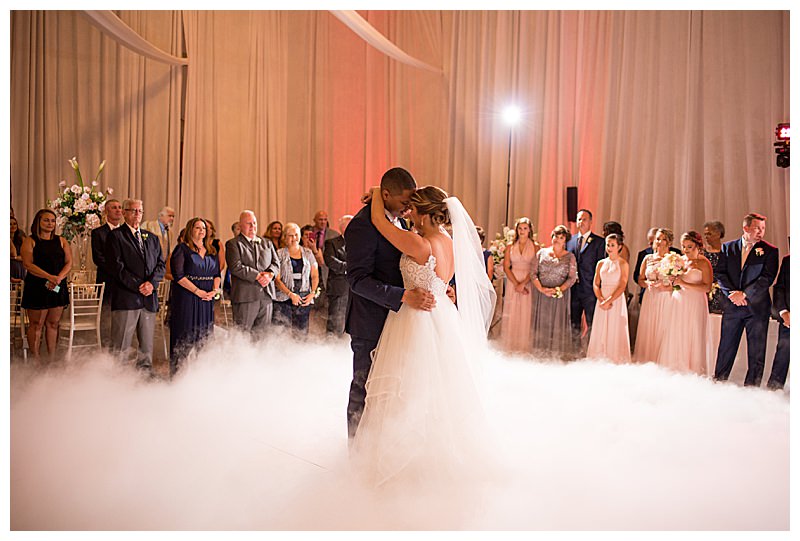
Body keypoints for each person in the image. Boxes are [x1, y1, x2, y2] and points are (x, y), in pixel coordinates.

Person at [351, 184, 496, 487]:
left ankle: (403, 466)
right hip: (442, 315)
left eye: (412, 209)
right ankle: (431, 460)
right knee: (436, 390)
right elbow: (441, 281)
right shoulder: (448, 241)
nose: (408, 214)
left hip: (415, 318)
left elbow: (378, 222)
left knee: (407, 391)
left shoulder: (420, 244)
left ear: (425, 213)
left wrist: (379, 191)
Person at [344, 167, 434, 441]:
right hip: (369, 322)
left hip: (399, 323)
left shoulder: (399, 221)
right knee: (364, 390)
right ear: (386, 195)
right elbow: (357, 280)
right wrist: (402, 296)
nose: (409, 208)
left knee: (391, 393)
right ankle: (356, 454)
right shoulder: (361, 225)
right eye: (405, 202)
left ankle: (380, 452)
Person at [714, 213, 779, 387]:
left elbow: (767, 278)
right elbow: (720, 273)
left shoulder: (770, 251)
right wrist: (732, 294)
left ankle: (752, 389)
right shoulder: (728, 248)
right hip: (732, 307)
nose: (761, 232)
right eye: (757, 228)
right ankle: (719, 383)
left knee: (757, 351)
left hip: (757, 309)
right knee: (726, 348)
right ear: (746, 228)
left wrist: (744, 294)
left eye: (763, 229)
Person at [106, 199, 166, 377]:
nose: (137, 214)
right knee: (121, 342)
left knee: (147, 343)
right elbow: (116, 268)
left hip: (148, 297)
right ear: (124, 213)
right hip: (127, 297)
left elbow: (161, 266)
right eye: (132, 211)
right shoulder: (116, 236)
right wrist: (138, 285)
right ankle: (118, 376)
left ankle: (145, 373)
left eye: (139, 211)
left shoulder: (152, 238)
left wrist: (152, 284)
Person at [168, 218, 220, 377]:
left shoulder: (211, 250)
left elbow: (216, 274)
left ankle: (201, 375)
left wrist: (215, 290)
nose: (201, 230)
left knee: (204, 337)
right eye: (197, 228)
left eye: (203, 228)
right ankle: (178, 375)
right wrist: (198, 291)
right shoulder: (182, 249)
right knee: (184, 334)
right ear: (190, 230)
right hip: (187, 298)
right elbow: (178, 276)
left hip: (207, 299)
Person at [655, 231, 712, 375]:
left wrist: (684, 283)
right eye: (684, 247)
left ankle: (692, 371)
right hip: (678, 300)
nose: (686, 250)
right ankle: (674, 369)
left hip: (695, 302)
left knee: (692, 334)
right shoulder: (679, 260)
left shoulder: (704, 263)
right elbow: (675, 283)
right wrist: (667, 285)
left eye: (689, 247)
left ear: (698, 246)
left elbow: (707, 287)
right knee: (676, 333)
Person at [20, 209, 72, 359]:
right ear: (38, 222)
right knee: (36, 324)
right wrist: (49, 277)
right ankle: (35, 360)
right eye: (46, 220)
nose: (50, 223)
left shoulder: (61, 240)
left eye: (53, 221)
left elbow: (69, 262)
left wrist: (58, 278)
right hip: (37, 286)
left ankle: (52, 359)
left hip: (57, 285)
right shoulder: (30, 241)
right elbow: (28, 264)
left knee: (53, 324)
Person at [225, 210, 280, 334]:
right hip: (246, 297)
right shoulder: (233, 244)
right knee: (242, 336)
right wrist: (258, 276)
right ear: (240, 226)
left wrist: (270, 274)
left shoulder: (267, 243)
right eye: (248, 223)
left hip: (266, 296)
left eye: (254, 223)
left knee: (262, 338)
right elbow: (236, 267)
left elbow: (276, 264)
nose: (252, 226)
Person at [531, 225, 578, 359]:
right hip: (542, 294)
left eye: (561, 237)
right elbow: (533, 273)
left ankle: (556, 356)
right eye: (555, 236)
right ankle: (541, 355)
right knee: (543, 323)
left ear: (565, 241)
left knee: (557, 324)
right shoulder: (541, 253)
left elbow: (572, 277)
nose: (557, 239)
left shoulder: (570, 257)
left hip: (560, 296)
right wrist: (542, 289)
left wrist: (559, 289)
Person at [586, 234, 631, 364]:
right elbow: (596, 283)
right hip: (602, 299)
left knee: (614, 328)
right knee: (600, 328)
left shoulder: (623, 264)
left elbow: (623, 284)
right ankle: (599, 357)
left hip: (615, 299)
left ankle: (615, 359)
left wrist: (609, 300)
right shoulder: (601, 263)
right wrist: (600, 299)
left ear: (619, 247)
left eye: (612, 245)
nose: (609, 248)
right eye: (608, 245)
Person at [633, 228, 675, 364]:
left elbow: (679, 283)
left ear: (669, 242)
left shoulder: (674, 259)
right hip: (650, 297)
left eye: (663, 239)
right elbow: (640, 279)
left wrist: (665, 286)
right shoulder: (647, 258)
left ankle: (662, 360)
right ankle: (647, 359)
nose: (660, 242)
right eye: (658, 238)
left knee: (663, 328)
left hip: (666, 297)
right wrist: (647, 284)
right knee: (648, 328)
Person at [566, 209, 605, 352]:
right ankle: (575, 352)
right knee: (573, 323)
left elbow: (600, 266)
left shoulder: (599, 242)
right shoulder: (570, 241)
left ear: (590, 221)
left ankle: (590, 351)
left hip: (590, 290)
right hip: (573, 289)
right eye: (579, 219)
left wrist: (598, 288)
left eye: (584, 219)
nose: (581, 222)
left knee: (592, 322)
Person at [273, 223, 319, 334]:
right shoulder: (279, 254)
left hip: (304, 298)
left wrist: (312, 293)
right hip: (284, 298)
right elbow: (277, 280)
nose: (294, 238)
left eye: (296, 235)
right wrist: (290, 294)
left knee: (301, 334)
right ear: (285, 237)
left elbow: (314, 276)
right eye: (290, 235)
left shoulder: (308, 253)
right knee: (282, 333)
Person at [500, 217, 537, 353]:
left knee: (526, 312)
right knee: (512, 310)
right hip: (512, 281)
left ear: (529, 230)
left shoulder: (535, 246)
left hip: (528, 280)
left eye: (525, 228)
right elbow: (506, 267)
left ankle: (523, 347)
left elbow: (535, 268)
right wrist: (516, 284)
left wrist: (523, 284)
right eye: (520, 228)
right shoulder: (510, 246)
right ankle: (511, 346)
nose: (522, 231)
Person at [90, 198, 124, 347]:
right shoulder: (98, 233)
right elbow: (98, 258)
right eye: (114, 208)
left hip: (124, 282)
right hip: (107, 280)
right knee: (106, 315)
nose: (118, 210)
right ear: (106, 211)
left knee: (122, 315)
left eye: (120, 207)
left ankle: (121, 345)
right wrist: (118, 271)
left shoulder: (126, 232)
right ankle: (105, 348)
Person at [323, 215, 352, 335]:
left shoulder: (362, 244)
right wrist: (352, 268)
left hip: (357, 290)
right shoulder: (332, 243)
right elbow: (331, 261)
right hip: (340, 289)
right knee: (336, 324)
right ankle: (332, 350)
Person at [767, 253, 790, 390]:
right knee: (783, 352)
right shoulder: (788, 260)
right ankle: (774, 390)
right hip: (790, 318)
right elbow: (779, 288)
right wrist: (783, 312)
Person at [702, 220, 726, 314]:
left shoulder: (727, 252)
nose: (706, 237)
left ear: (719, 234)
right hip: (705, 292)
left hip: (722, 293)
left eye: (709, 234)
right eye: (705, 234)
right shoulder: (703, 253)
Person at [10, 215, 26, 282]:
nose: (13, 226)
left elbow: (26, 257)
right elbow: (14, 253)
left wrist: (14, 258)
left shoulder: (22, 238)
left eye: (15, 224)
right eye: (10, 224)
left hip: (21, 268)